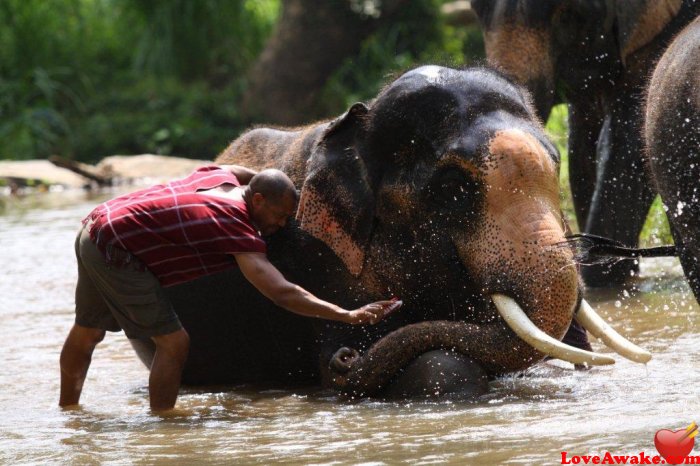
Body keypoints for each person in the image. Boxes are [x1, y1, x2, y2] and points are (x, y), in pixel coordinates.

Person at [59, 164, 400, 411]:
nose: (281, 225)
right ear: (258, 201)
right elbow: (281, 291)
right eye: (279, 216)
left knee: (88, 330)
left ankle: (68, 411)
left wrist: (273, 183)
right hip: (117, 249)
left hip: (96, 226)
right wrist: (346, 314)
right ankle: (163, 426)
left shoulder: (219, 178)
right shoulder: (234, 224)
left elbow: (239, 170)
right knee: (174, 343)